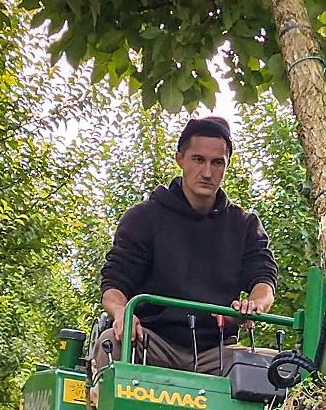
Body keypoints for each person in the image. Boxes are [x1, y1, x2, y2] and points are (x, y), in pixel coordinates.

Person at [95, 116, 278, 375]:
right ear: (180, 159)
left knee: (277, 369)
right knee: (112, 343)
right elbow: (114, 284)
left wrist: (255, 304)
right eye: (198, 160)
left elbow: (264, 279)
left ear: (227, 165)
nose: (207, 172)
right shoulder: (144, 217)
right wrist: (121, 313)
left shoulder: (245, 225)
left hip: (217, 352)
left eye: (217, 163)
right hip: (151, 343)